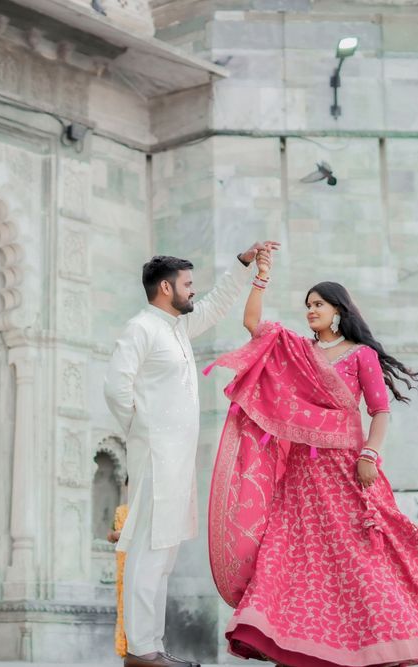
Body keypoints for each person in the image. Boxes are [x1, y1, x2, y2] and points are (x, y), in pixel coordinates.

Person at [202, 248, 418, 667]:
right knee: (298, 556)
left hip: (348, 469)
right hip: (302, 474)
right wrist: (261, 275)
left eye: (318, 305)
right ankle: (299, 644)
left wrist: (370, 453)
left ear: (338, 311)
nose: (310, 311)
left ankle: (381, 641)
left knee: (362, 555)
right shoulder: (299, 352)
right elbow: (253, 325)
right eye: (307, 305)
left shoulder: (361, 355)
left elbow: (380, 411)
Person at [104, 242, 279, 667]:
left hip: (177, 457)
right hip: (156, 453)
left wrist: (243, 265)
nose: (193, 292)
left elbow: (218, 304)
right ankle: (141, 649)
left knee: (164, 552)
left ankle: (151, 646)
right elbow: (116, 387)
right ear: (166, 288)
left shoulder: (177, 328)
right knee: (149, 547)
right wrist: (142, 430)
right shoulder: (141, 328)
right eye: (187, 285)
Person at [109, 490, 129, 658]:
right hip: (123, 563)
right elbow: (110, 535)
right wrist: (118, 535)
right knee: (123, 602)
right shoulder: (121, 510)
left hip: (141, 562)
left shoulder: (145, 509)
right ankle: (124, 647)